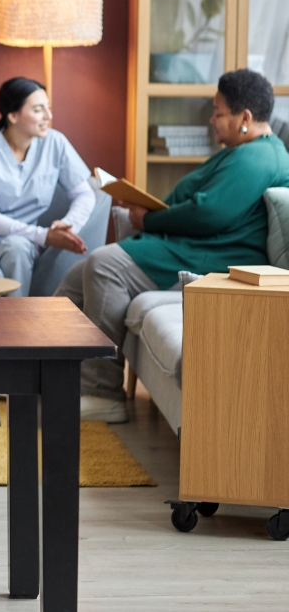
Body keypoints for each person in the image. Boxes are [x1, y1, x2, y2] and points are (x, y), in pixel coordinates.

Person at [57, 69, 289, 423]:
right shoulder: (246, 151)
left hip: (216, 256)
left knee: (104, 264)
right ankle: (45, 377)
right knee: (77, 276)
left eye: (218, 111)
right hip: (195, 245)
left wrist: (148, 220)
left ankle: (103, 394)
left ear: (245, 118)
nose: (212, 119)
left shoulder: (260, 157)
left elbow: (210, 213)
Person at [0, 77, 98, 296]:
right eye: (39, 110)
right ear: (13, 116)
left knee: (19, 248)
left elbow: (84, 194)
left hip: (16, 237)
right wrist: (44, 235)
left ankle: (17, 325)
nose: (48, 117)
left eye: (48, 108)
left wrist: (68, 226)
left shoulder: (55, 143)